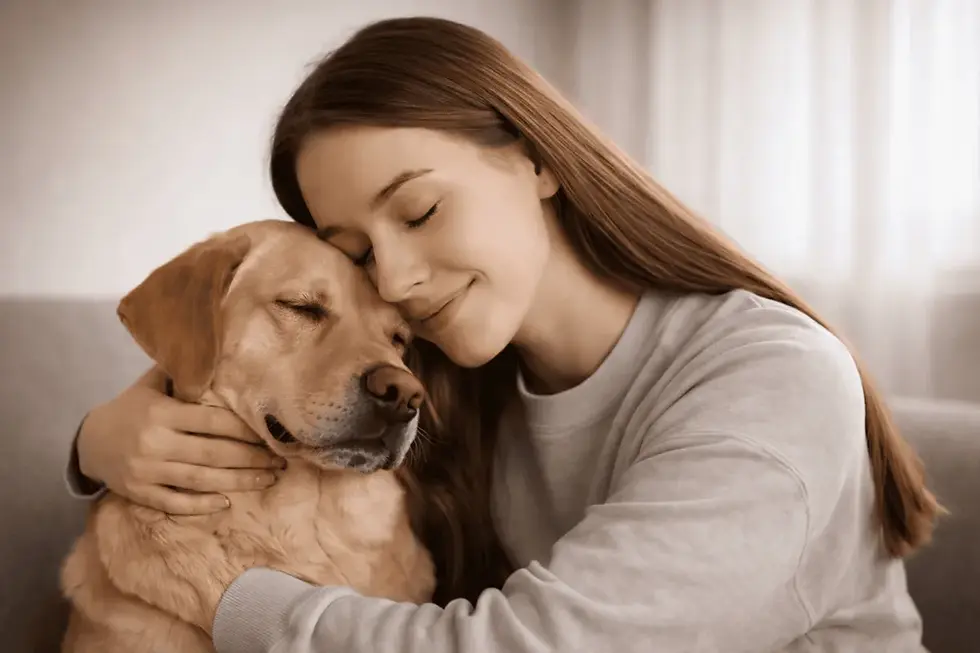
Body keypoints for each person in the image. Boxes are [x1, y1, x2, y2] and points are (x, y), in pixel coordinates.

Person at [66, 16, 941, 653]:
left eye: (421, 208)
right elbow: (235, 367)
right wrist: (98, 444)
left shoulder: (770, 377)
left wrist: (209, 591)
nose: (398, 280)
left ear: (538, 159)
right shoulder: (452, 365)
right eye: (360, 251)